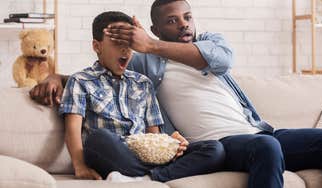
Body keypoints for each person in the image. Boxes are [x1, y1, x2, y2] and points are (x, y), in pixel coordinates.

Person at [31, 0, 322, 187]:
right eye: (173, 21)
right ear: (157, 29)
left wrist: (153, 43)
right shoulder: (147, 61)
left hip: (261, 131)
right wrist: (57, 76)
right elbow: (104, 71)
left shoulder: (211, 43)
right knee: (264, 147)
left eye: (187, 17)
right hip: (223, 144)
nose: (185, 25)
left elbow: (222, 60)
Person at [58, 11, 224, 182]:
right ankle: (158, 174)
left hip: (144, 156)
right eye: (117, 43)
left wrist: (169, 145)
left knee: (214, 149)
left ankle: (147, 178)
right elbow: (73, 130)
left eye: (129, 43)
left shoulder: (143, 83)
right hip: (110, 152)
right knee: (99, 138)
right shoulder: (80, 81)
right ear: (97, 46)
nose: (125, 49)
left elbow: (153, 136)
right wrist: (80, 166)